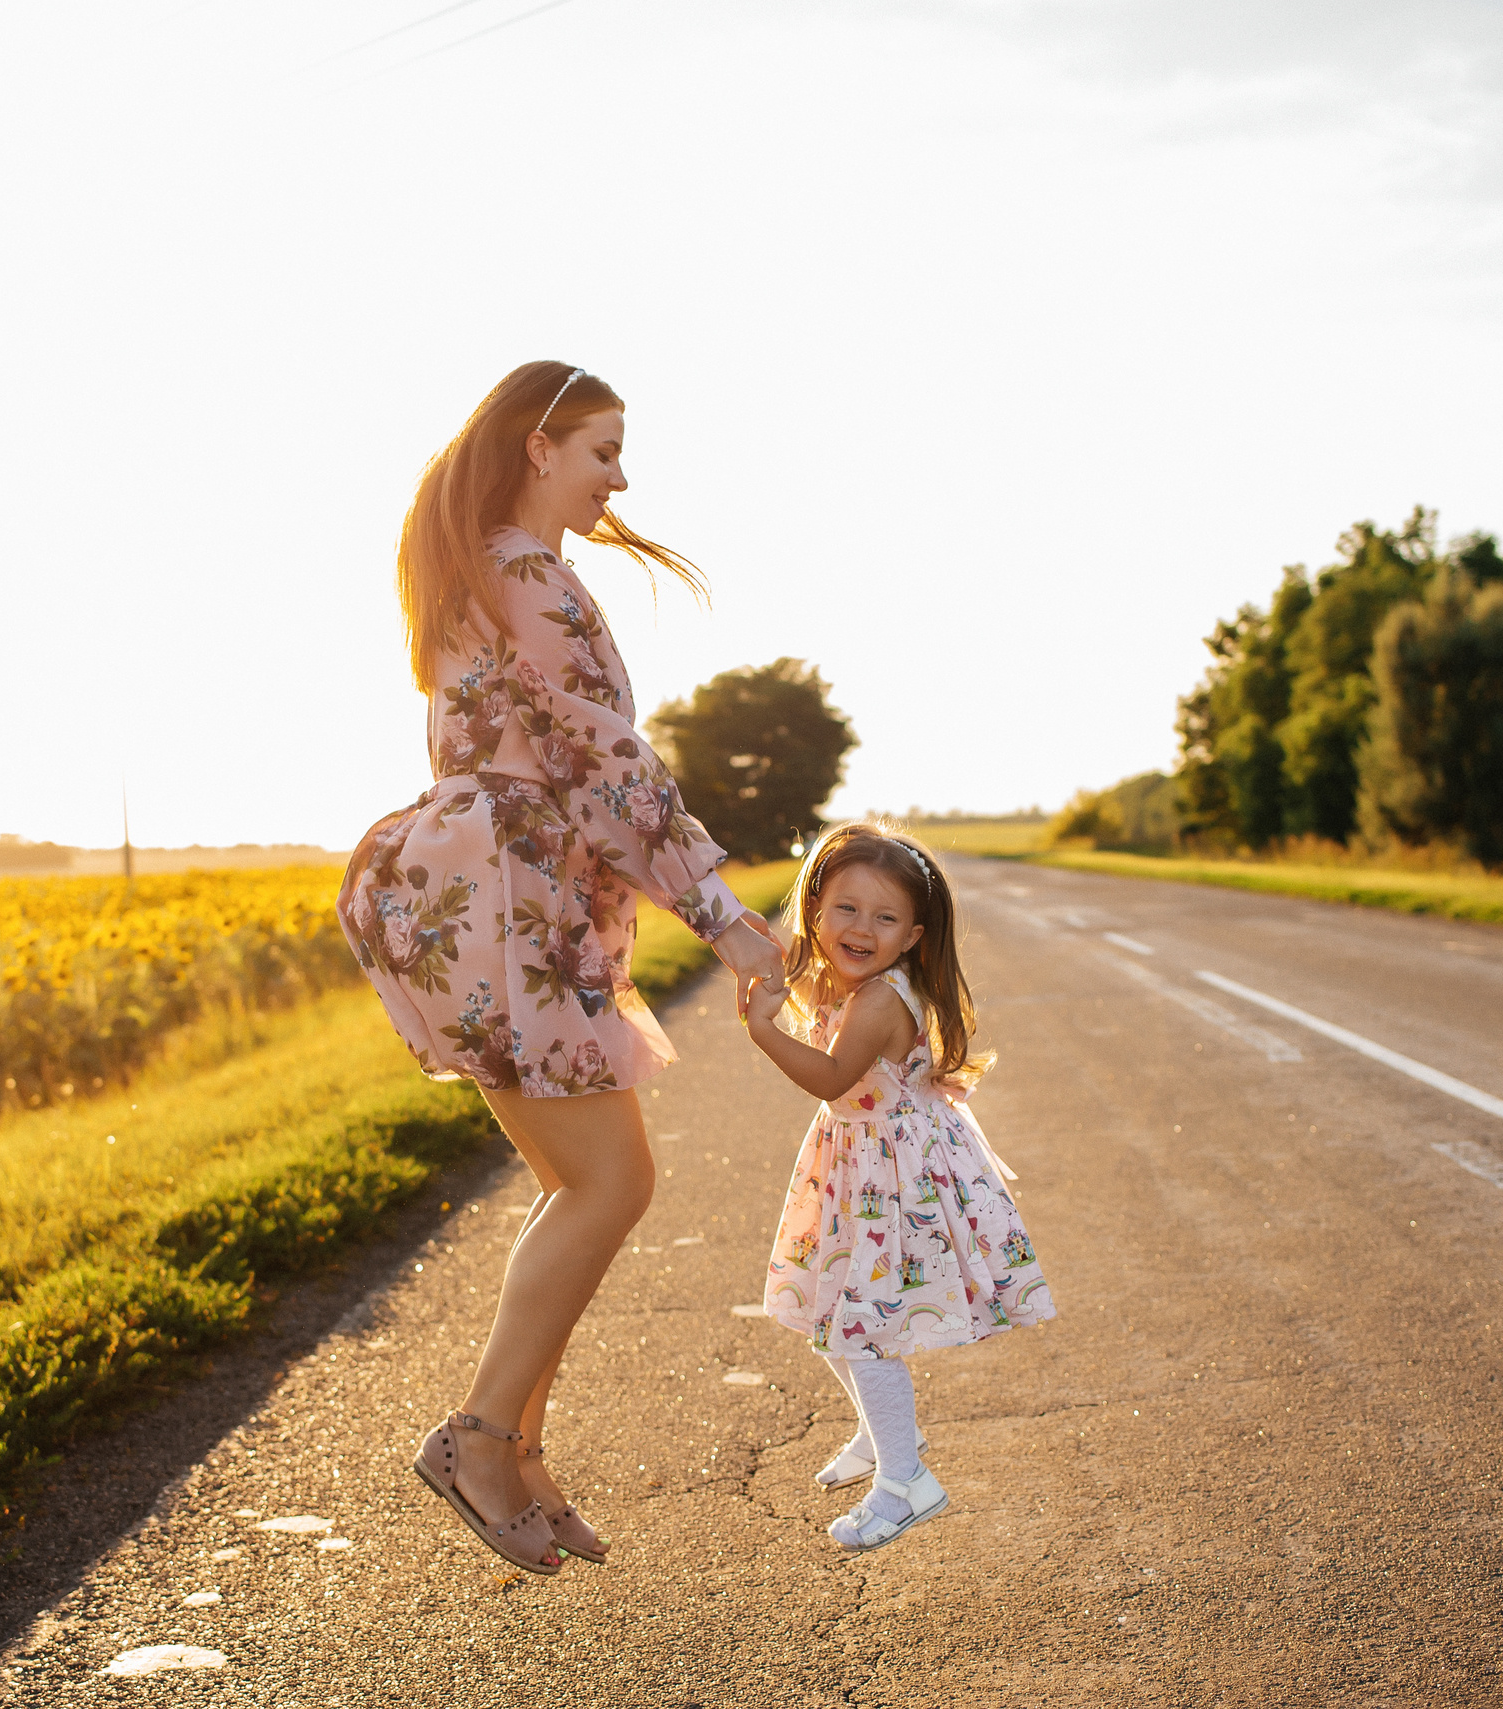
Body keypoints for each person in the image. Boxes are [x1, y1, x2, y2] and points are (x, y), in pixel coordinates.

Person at [337, 360, 787, 1575]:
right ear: (539, 448)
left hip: (474, 881)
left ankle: (520, 1451)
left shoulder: (469, 565)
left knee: (582, 1181)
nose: (620, 476)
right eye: (601, 450)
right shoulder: (532, 575)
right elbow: (613, 774)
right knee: (609, 1182)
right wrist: (730, 921)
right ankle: (479, 1438)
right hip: (504, 893)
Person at [740, 822, 1052, 1551]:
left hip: (893, 1179)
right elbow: (783, 964)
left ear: (912, 936)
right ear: (816, 910)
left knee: (862, 1325)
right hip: (856, 1164)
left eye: (884, 918)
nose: (861, 928)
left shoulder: (880, 1001)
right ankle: (883, 1435)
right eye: (845, 908)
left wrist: (762, 1030)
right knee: (825, 1304)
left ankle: (906, 1478)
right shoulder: (840, 973)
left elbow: (827, 1076)